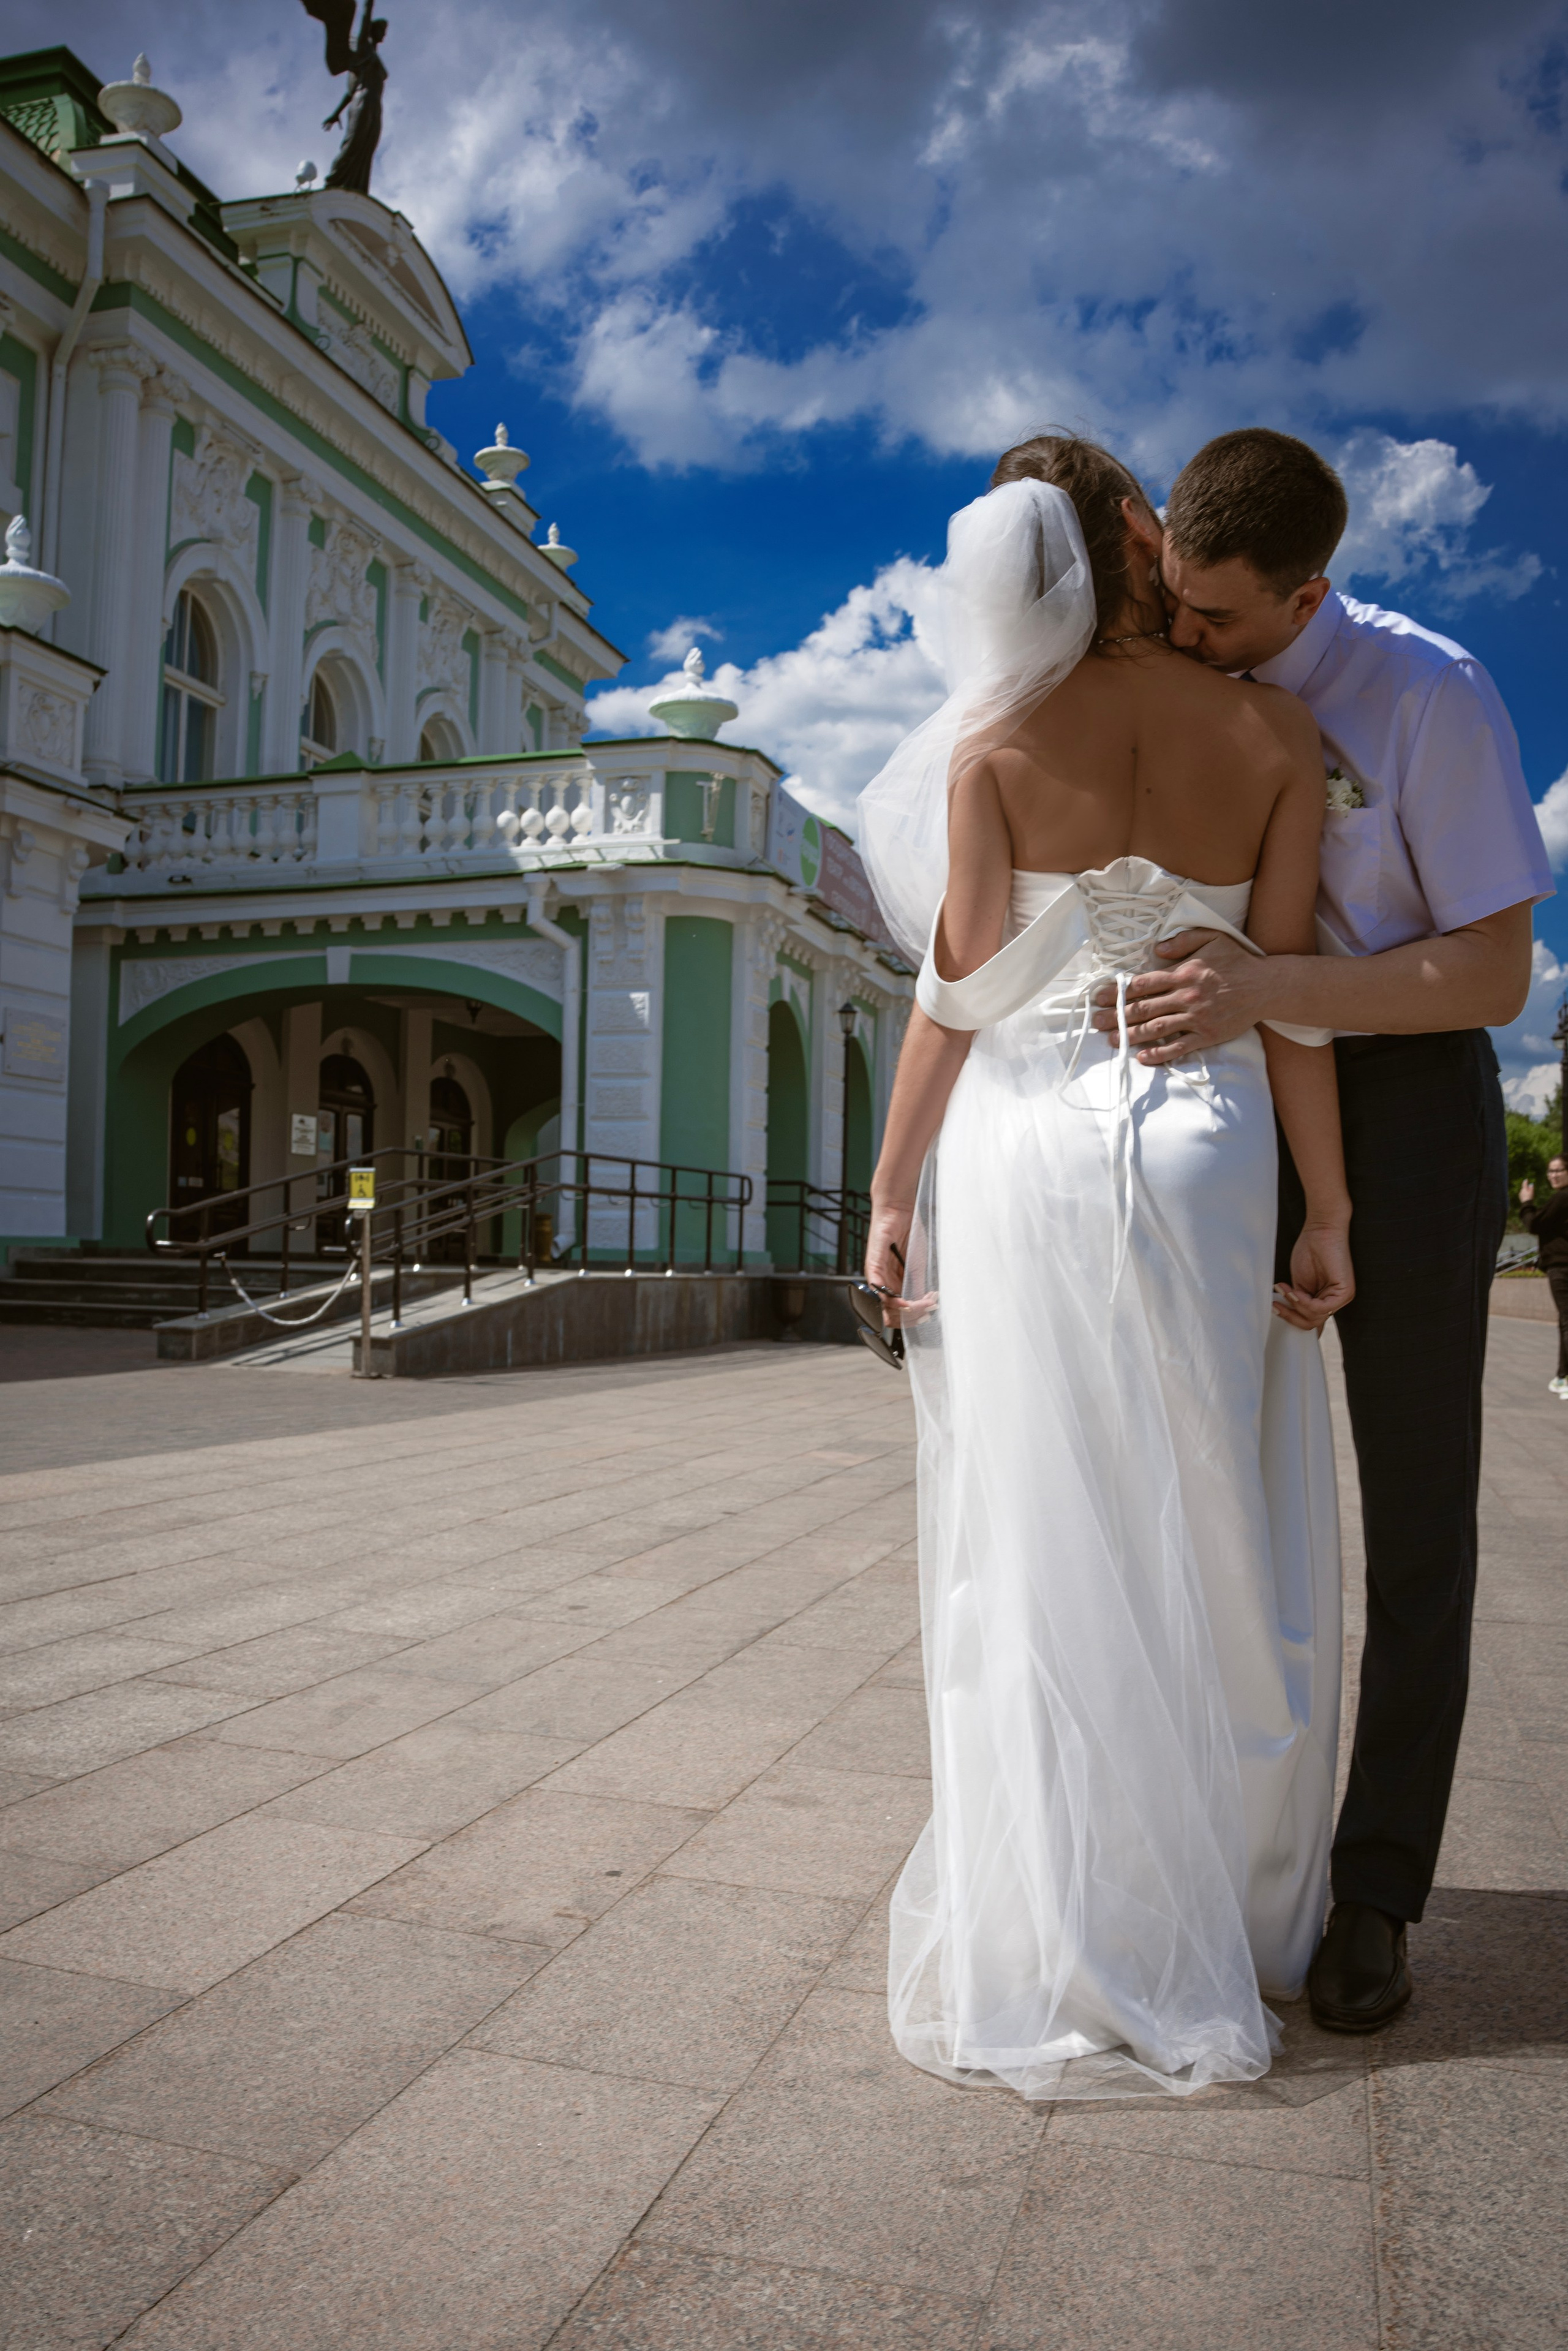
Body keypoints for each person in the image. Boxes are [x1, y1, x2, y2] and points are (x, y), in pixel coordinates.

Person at [856, 437, 1351, 2099]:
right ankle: (1242, 1910)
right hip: (1208, 1142)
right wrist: (1326, 1208)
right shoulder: (1276, 733)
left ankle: (1072, 1918)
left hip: (1028, 1160)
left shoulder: (992, 750)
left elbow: (958, 995)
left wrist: (891, 1191)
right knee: (1217, 1521)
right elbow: (1284, 993)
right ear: (1141, 540)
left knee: (1039, 1527)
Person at [1090, 430, 1550, 2032]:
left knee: (1420, 1515)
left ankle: (1375, 1888)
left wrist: (1274, 988)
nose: (1193, 639)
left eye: (1222, 619)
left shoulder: (1432, 691)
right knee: (1225, 1497)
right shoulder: (1183, 651)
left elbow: (1495, 971)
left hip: (1415, 1113)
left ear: (1310, 591)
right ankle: (1229, 1850)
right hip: (1243, 1122)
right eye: (1178, 605)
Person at [1519, 1155, 1568, 1396]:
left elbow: (1535, 1224)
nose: (1554, 1175)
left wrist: (1526, 1203)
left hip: (1562, 1266)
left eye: (1559, 1171)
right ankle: (1562, 1376)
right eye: (1551, 1171)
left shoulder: (1563, 1197)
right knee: (1564, 1321)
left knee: (1567, 1321)